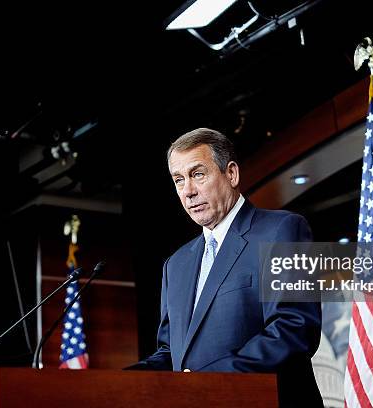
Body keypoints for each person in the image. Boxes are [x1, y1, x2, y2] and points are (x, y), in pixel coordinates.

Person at [128, 128, 322, 407]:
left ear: (231, 174)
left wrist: (206, 381)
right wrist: (117, 380)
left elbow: (294, 330)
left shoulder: (282, 229)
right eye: (178, 180)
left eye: (197, 174)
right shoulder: (176, 264)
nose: (188, 191)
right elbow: (172, 352)